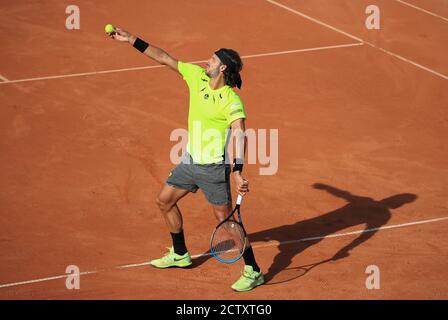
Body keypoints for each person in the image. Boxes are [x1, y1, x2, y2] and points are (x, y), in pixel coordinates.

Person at [108, 28, 264, 292]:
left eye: (212, 60)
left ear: (223, 67)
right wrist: (131, 40)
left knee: (226, 222)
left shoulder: (231, 100)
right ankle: (180, 254)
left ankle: (253, 270)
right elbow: (164, 58)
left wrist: (237, 171)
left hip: (213, 168)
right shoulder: (197, 77)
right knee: (164, 201)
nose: (207, 61)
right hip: (190, 161)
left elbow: (239, 133)